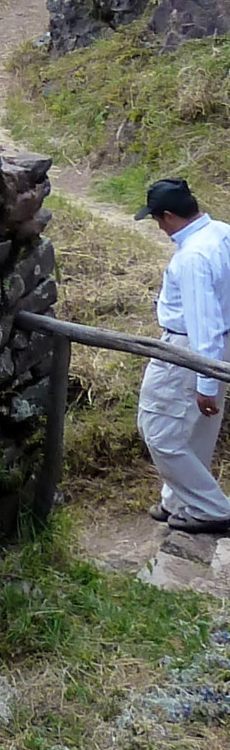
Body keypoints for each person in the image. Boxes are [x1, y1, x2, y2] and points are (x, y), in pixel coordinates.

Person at [134, 175, 230, 534]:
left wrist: (205, 378)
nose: (158, 227)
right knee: (198, 431)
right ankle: (179, 500)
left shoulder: (192, 257)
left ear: (169, 215)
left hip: (190, 347)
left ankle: (211, 508)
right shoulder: (222, 232)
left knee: (158, 428)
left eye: (157, 219)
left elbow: (201, 319)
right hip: (223, 341)